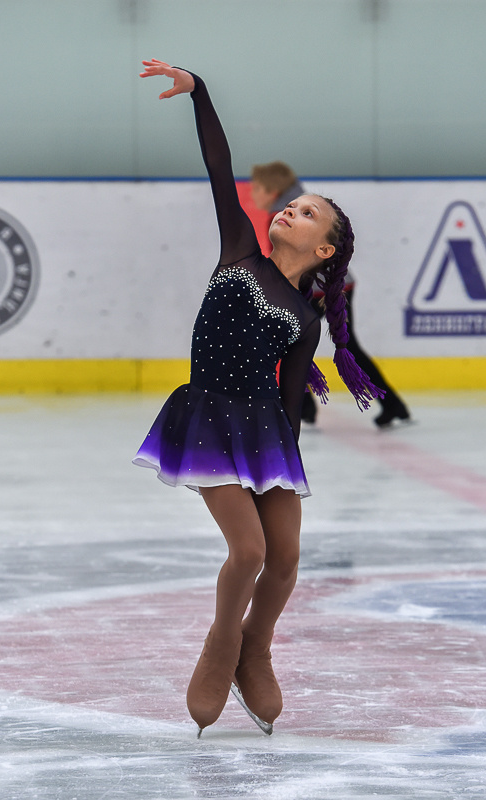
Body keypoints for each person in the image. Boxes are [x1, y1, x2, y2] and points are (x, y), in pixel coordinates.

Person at [133, 59, 384, 735]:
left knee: (286, 559)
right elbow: (220, 164)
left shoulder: (307, 319)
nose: (289, 211)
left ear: (325, 249)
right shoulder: (240, 252)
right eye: (292, 204)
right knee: (247, 553)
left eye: (306, 214)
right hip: (208, 418)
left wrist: (285, 473)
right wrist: (200, 92)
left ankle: (257, 647)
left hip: (268, 436)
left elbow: (295, 393)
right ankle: (221, 645)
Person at [250, 162, 411, 428]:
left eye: (256, 188)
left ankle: (303, 409)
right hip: (337, 286)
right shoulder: (303, 205)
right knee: (343, 347)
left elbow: (288, 265)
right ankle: (392, 405)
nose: (252, 194)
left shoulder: (284, 216)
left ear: (271, 190)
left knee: (292, 345)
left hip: (321, 289)